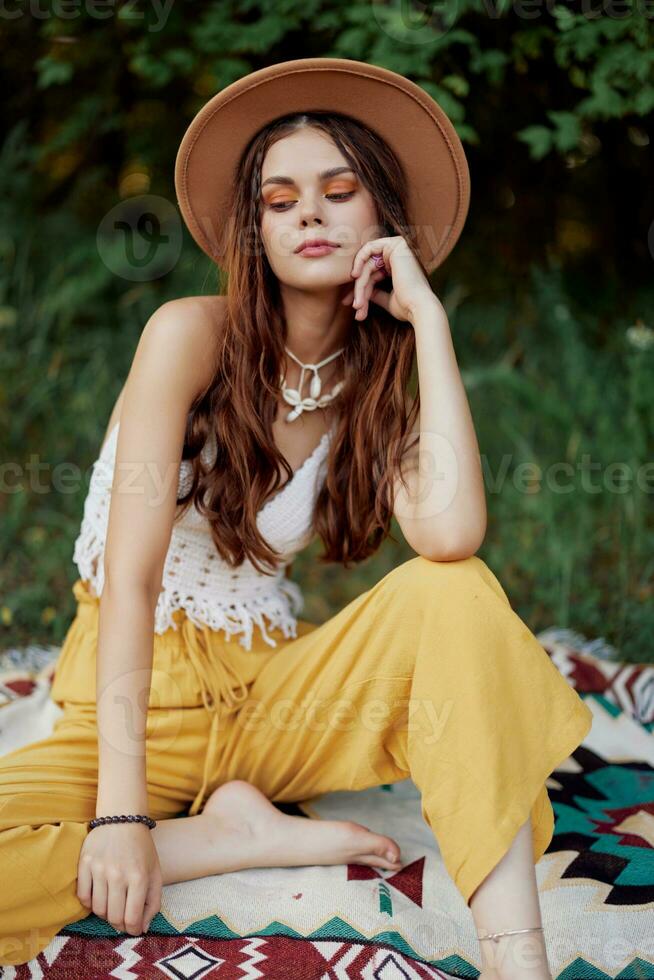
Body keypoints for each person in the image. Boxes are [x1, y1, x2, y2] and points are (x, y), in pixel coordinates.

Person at [0, 58, 592, 978]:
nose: (309, 213)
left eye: (340, 190)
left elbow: (449, 537)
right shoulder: (185, 336)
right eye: (280, 200)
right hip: (132, 709)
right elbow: (133, 582)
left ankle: (521, 963)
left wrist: (425, 322)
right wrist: (122, 822)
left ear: (383, 220)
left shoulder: (377, 377)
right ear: (256, 229)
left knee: (457, 590)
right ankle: (219, 840)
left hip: (276, 703)